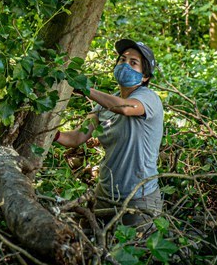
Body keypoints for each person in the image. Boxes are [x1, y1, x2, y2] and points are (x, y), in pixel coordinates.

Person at [55, 39, 164, 232]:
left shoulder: (148, 98)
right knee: (86, 243)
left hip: (139, 198)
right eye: (122, 60)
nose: (125, 65)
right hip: (105, 192)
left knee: (137, 255)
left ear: (145, 76)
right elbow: (77, 138)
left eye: (133, 62)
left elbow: (126, 108)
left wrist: (86, 89)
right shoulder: (103, 107)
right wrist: (53, 135)